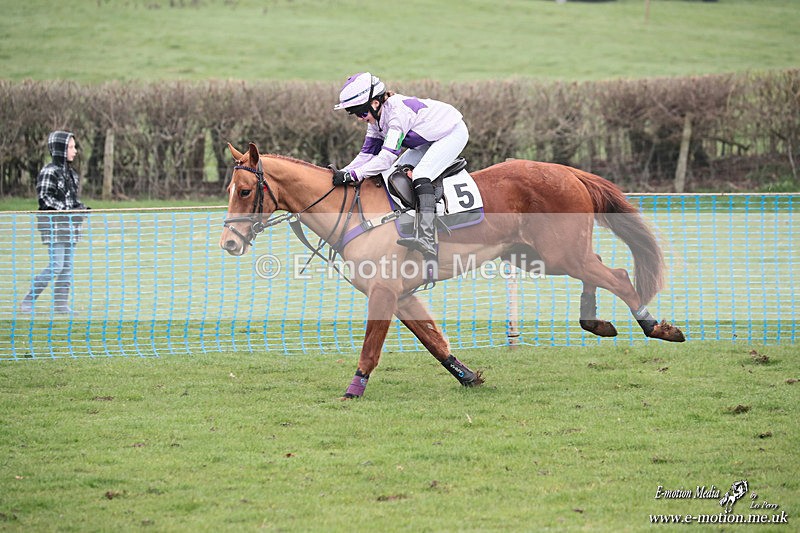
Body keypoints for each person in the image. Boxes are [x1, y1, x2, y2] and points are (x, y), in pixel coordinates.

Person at [332, 72, 469, 259]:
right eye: (355, 114)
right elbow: (367, 155)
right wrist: (344, 171)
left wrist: (355, 175)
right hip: (427, 140)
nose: (360, 118)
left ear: (375, 103)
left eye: (361, 112)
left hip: (451, 133)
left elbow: (387, 157)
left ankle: (427, 238)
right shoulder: (376, 121)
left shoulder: (396, 115)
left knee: (421, 175)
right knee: (391, 176)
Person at [19, 131, 88, 315]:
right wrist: (68, 211)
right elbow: (45, 199)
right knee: (56, 265)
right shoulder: (48, 172)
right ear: (59, 149)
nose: (75, 151)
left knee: (67, 268)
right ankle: (28, 300)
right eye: (71, 147)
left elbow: (71, 201)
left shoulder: (72, 175)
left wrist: (81, 209)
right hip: (54, 228)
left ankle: (60, 305)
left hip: (70, 228)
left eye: (74, 147)